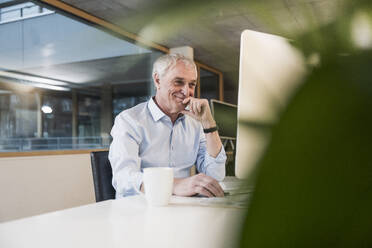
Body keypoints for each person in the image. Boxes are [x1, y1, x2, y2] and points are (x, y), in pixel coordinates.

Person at [109, 53, 226, 198]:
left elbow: (216, 175)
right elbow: (124, 178)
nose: (186, 91)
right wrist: (173, 185)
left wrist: (209, 125)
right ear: (157, 80)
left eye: (192, 84)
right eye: (178, 82)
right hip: (139, 210)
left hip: (183, 209)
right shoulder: (129, 120)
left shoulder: (195, 124)